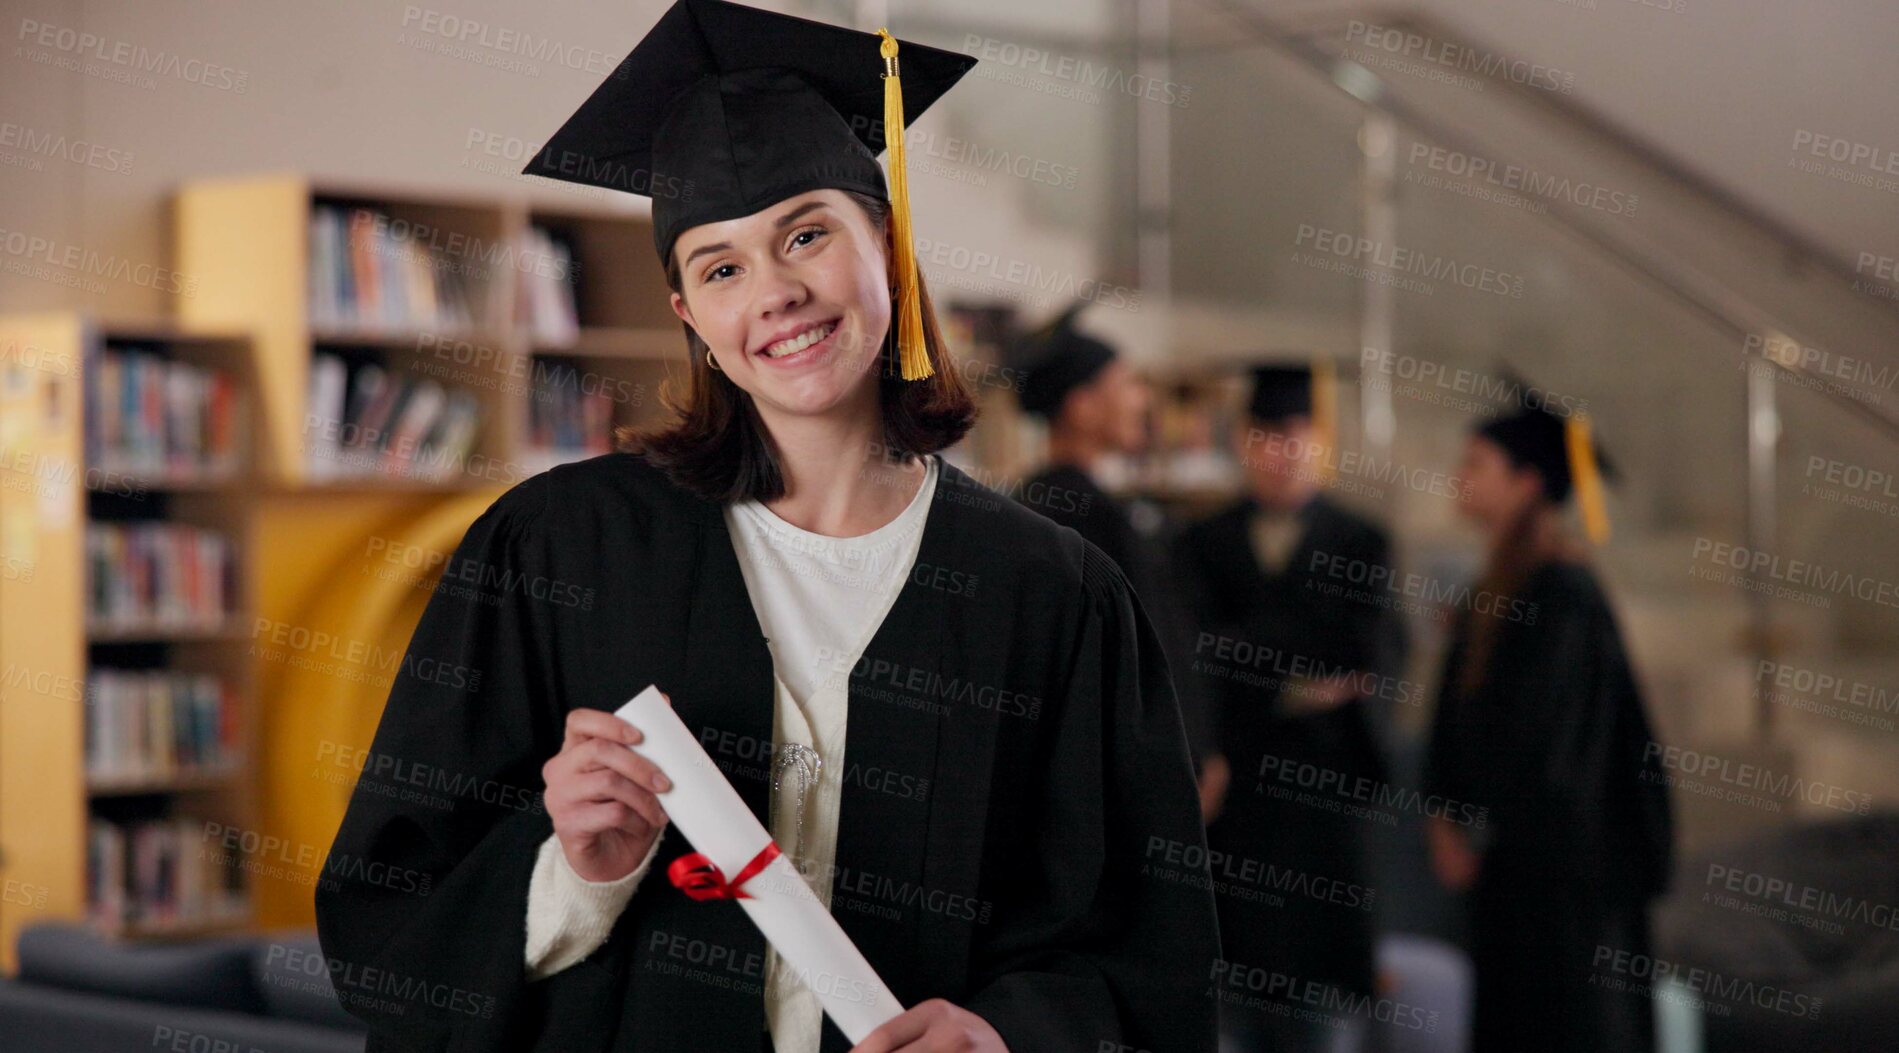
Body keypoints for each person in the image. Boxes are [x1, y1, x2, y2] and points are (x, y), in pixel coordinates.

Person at [313, 3, 1218, 1053]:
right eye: (721, 267)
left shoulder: (1054, 595)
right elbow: (387, 915)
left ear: (884, 240)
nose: (777, 294)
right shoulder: (559, 549)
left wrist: (1007, 1034)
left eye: (806, 234)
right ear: (691, 316)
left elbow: (1141, 953)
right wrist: (574, 868)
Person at [1422, 399, 1674, 1053]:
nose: (1460, 477)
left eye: (1476, 463)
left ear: (1527, 480)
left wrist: (1477, 821)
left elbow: (1552, 745)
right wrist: (1446, 810)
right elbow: (1458, 722)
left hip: (1567, 886)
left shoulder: (1563, 593)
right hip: (1516, 873)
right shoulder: (1498, 589)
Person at [1173, 364, 1404, 1053]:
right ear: (1244, 442)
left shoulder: (1359, 541)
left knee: (1316, 1011)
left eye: (1297, 436)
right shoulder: (1199, 541)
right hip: (1233, 803)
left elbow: (1368, 655)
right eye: (1267, 436)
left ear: (1319, 443)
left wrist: (1247, 655)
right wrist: (1300, 675)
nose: (1282, 451)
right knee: (1229, 1002)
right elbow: (1193, 654)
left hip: (1322, 807)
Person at [1011, 303, 1227, 818]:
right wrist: (1189, 754)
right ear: (1083, 407)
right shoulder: (1090, 518)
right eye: (1127, 383)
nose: (1143, 399)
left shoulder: (1034, 502)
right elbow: (1145, 653)